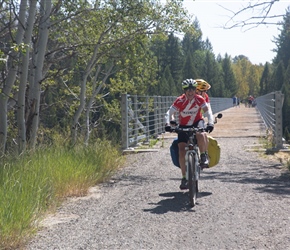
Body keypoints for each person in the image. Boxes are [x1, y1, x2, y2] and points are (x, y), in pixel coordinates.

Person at [164, 79, 214, 190]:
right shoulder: (180, 100)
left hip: (197, 122)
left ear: (195, 90)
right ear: (184, 91)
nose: (190, 92)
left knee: (201, 134)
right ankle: (184, 177)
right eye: (188, 90)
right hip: (183, 126)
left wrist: (210, 123)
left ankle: (204, 156)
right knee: (181, 150)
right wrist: (168, 123)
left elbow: (208, 111)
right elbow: (169, 112)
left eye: (192, 90)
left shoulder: (199, 99)